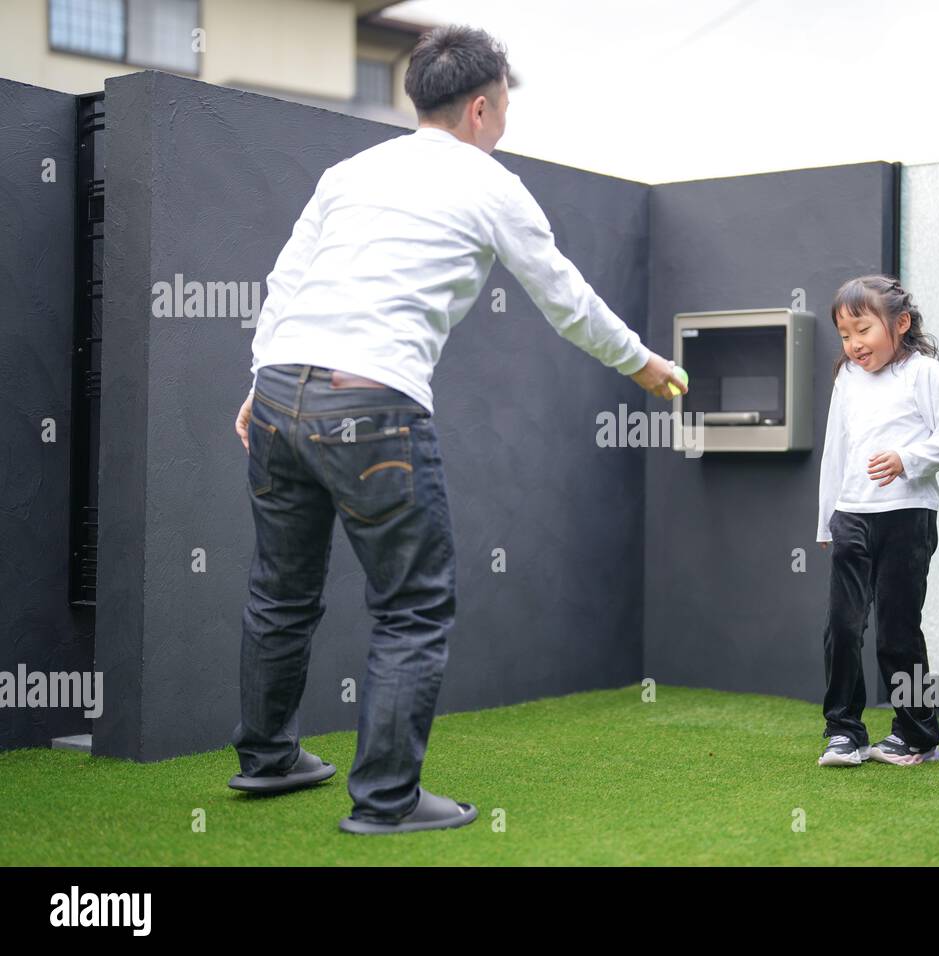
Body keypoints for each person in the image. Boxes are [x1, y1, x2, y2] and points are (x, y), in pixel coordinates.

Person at [227, 24, 687, 834]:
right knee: (412, 605)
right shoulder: (491, 183)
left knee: (280, 588)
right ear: (480, 106)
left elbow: (286, 278)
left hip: (279, 391)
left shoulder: (348, 171)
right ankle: (386, 800)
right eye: (504, 105)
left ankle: (266, 761)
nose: (504, 120)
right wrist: (644, 364)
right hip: (372, 403)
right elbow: (566, 299)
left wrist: (260, 374)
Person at [814, 275, 939, 768]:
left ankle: (918, 734)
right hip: (852, 517)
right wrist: (826, 523)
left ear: (900, 323)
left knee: (898, 632)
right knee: (842, 626)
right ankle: (844, 731)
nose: (854, 344)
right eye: (844, 334)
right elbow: (835, 452)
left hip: (907, 519)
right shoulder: (848, 378)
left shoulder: (922, 372)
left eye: (863, 330)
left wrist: (907, 458)